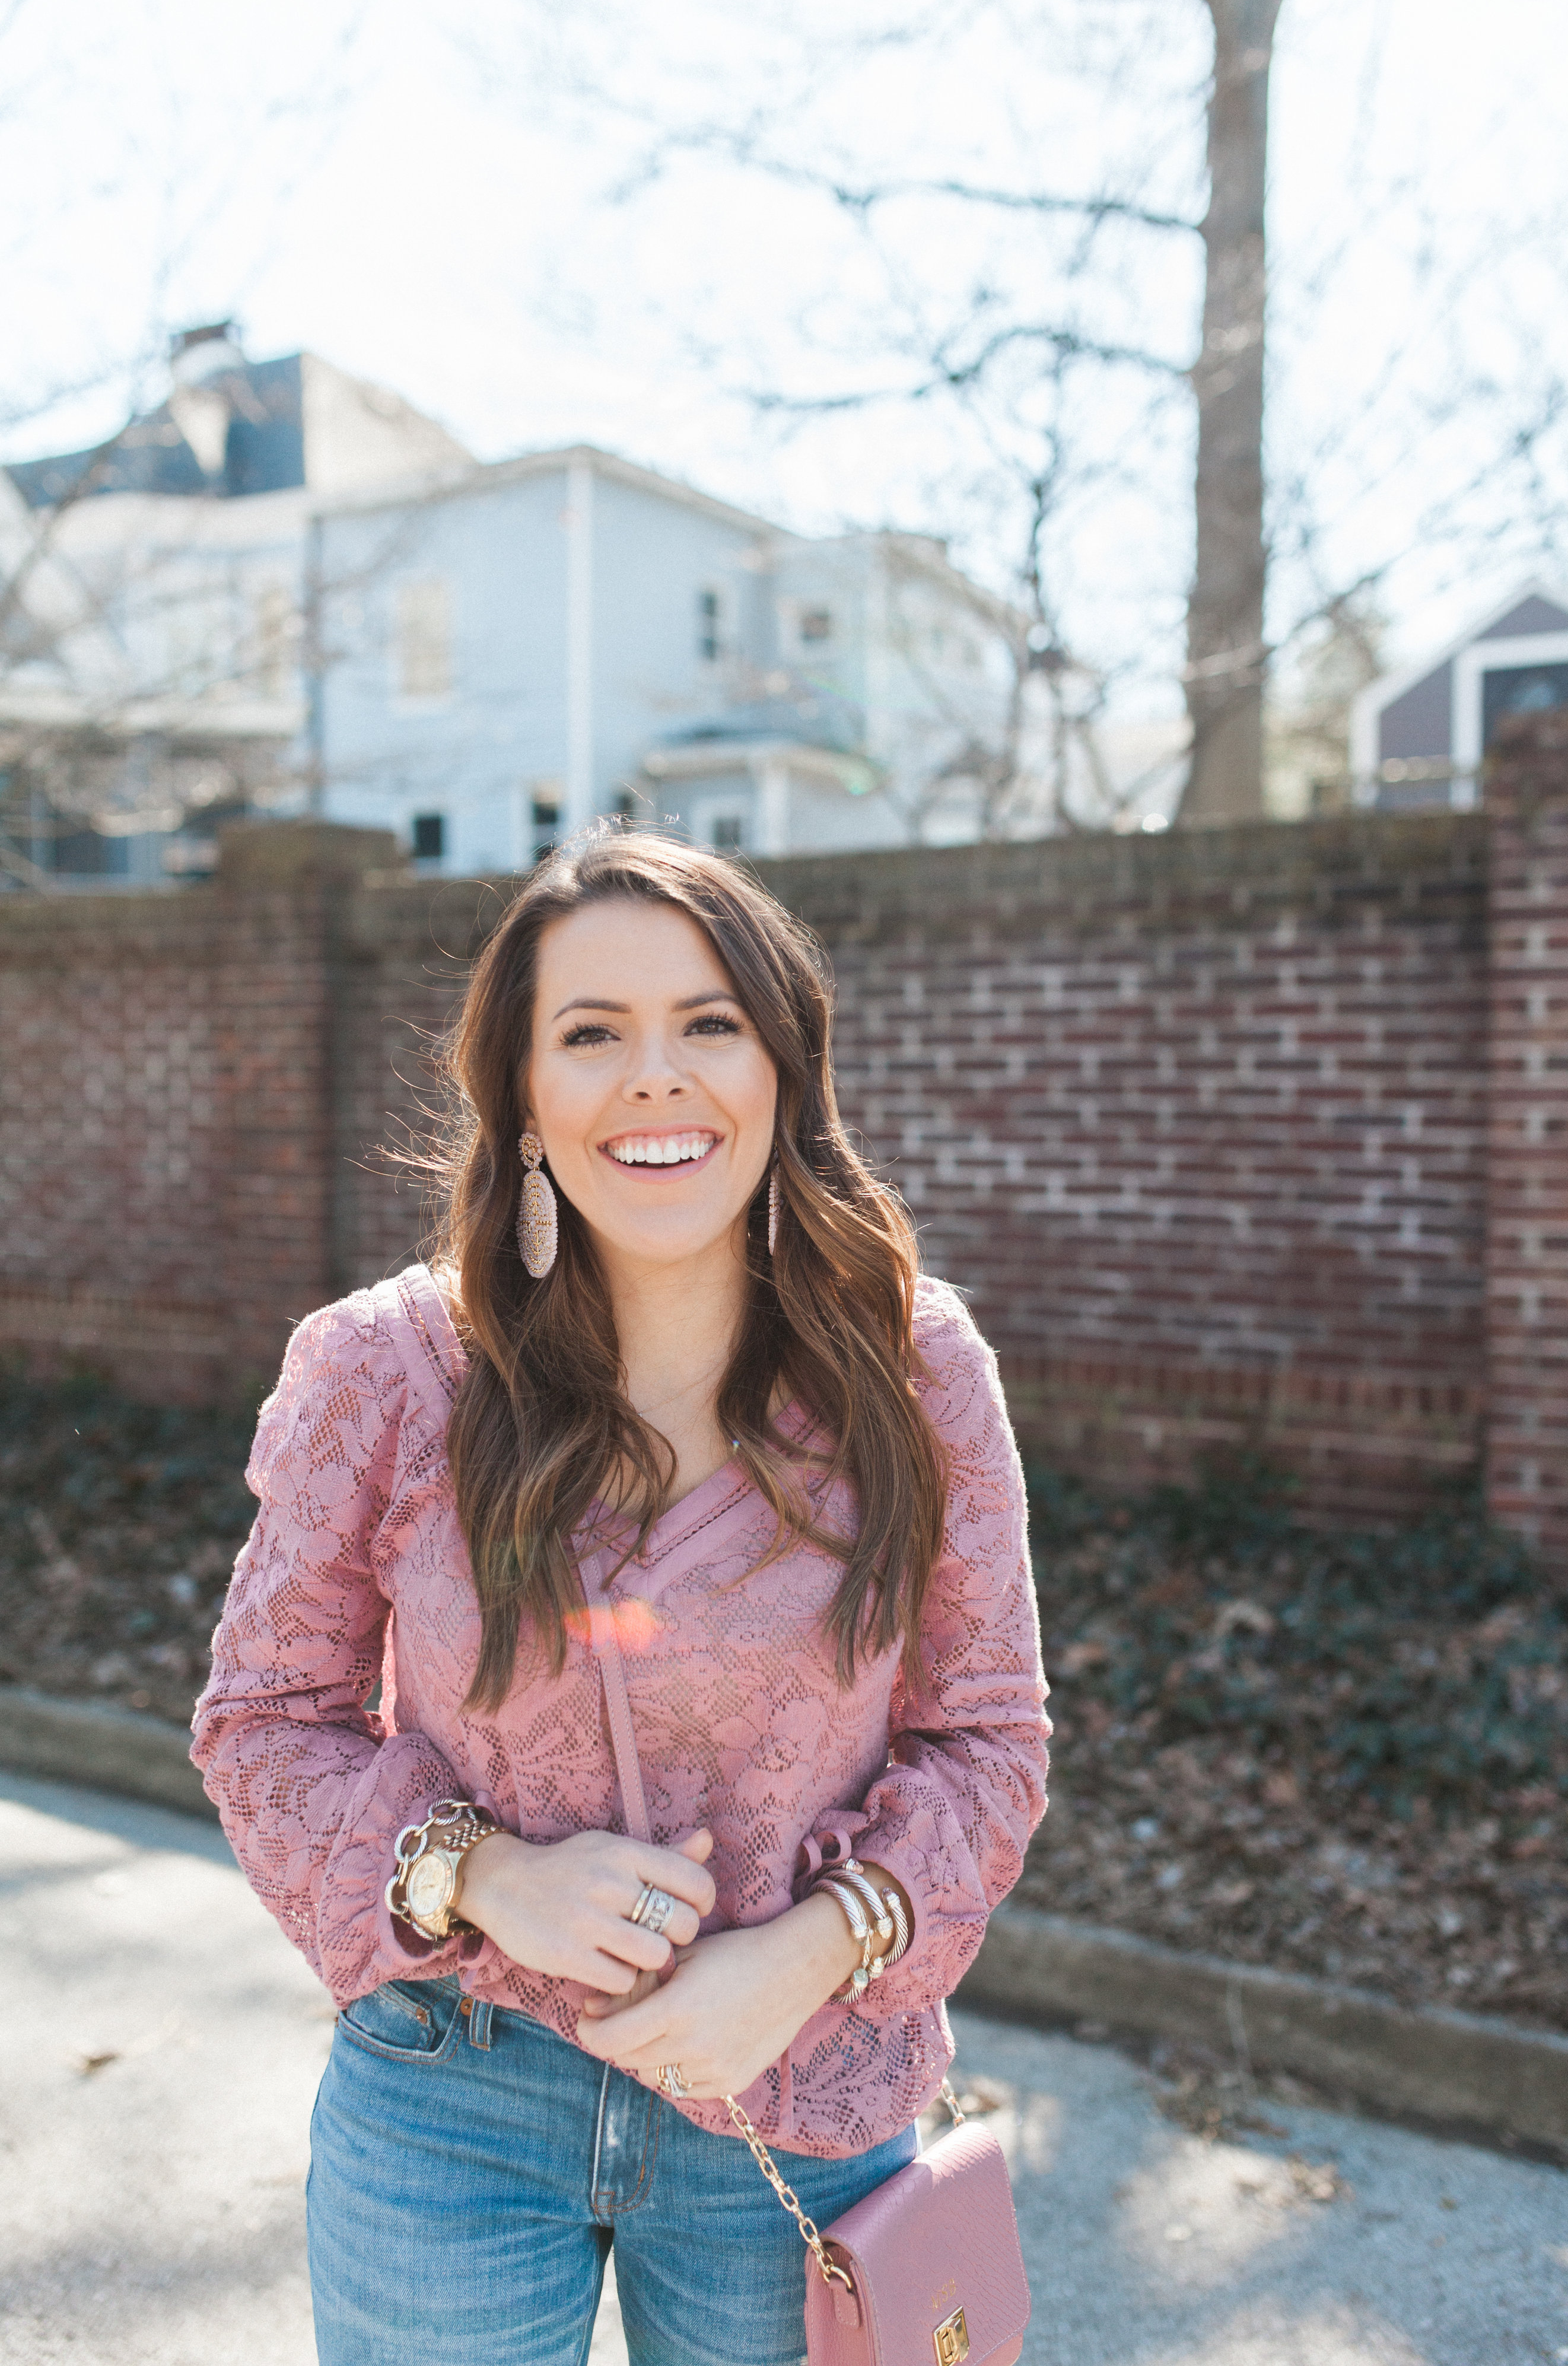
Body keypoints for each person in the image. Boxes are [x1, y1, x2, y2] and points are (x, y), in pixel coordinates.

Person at [192, 829, 1049, 2366]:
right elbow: (263, 1723)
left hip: (796, 2105)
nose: (656, 1077)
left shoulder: (916, 1374)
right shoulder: (381, 1374)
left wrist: (800, 1957)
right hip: (453, 2087)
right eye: (592, 1035)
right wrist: (481, 1875)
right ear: (522, 1096)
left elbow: (988, 1743)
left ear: (782, 1068)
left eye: (708, 1023)